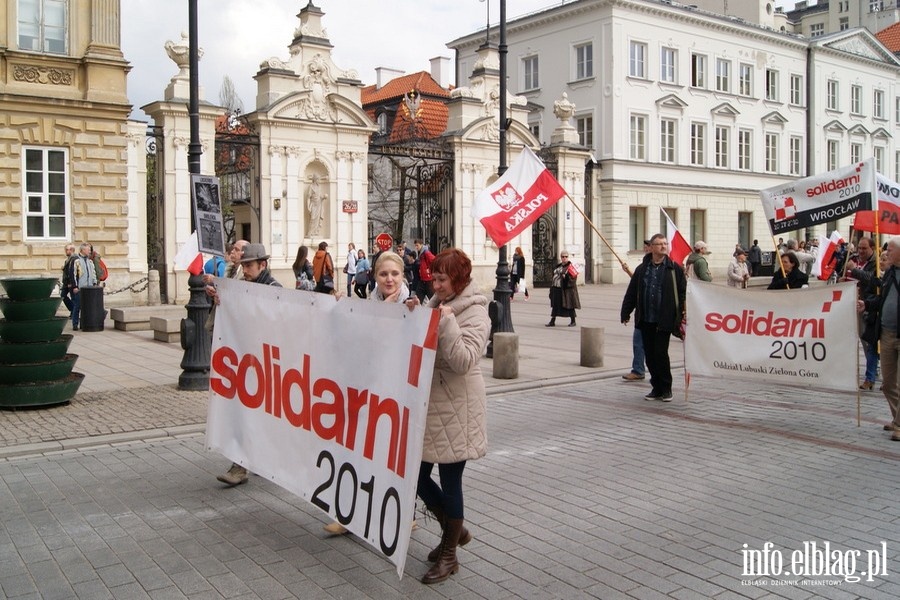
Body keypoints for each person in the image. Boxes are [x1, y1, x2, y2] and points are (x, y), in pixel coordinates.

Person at [407, 248, 490, 584]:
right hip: (432, 405)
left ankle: (450, 554)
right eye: (434, 278)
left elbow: (464, 360)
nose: (435, 284)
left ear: (458, 279)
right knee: (415, 475)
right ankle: (453, 533)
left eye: (441, 279)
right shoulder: (435, 304)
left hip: (458, 406)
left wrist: (448, 321)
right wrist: (412, 315)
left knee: (450, 481)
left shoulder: (475, 312)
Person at [216, 243, 282, 487]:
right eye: (243, 265)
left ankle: (257, 460)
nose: (245, 269)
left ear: (262, 265)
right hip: (248, 363)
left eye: (249, 265)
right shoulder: (244, 288)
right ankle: (240, 465)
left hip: (265, 364)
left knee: (261, 416)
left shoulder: (274, 289)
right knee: (244, 412)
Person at [620, 233, 686, 402]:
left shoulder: (674, 268)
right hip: (646, 319)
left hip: (664, 320)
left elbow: (683, 292)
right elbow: (632, 291)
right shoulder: (643, 269)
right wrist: (626, 312)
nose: (664, 246)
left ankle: (666, 388)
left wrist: (683, 313)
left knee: (660, 353)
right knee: (649, 354)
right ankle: (656, 388)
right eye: (659, 244)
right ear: (651, 247)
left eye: (665, 243)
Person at [862, 237, 900, 440]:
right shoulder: (889, 273)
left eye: (890, 250)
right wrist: (866, 305)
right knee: (888, 384)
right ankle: (897, 418)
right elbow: (882, 298)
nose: (886, 253)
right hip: (885, 333)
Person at [846, 237, 879, 390]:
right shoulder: (853, 259)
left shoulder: (876, 263)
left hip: (868, 305)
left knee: (868, 340)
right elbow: (846, 275)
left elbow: (872, 279)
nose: (860, 251)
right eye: (859, 248)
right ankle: (872, 370)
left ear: (872, 248)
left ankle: (871, 373)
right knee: (861, 336)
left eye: (864, 248)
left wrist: (854, 270)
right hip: (852, 303)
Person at [623, 240, 651, 382]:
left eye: (648, 247)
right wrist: (626, 312)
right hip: (642, 314)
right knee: (638, 343)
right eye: (645, 247)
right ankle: (638, 369)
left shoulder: (667, 268)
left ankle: (658, 376)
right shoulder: (643, 267)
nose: (645, 249)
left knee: (656, 349)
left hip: (658, 317)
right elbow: (635, 287)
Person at [546, 251, 581, 327]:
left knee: (569, 305)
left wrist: (567, 278)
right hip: (556, 288)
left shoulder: (571, 267)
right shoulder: (558, 266)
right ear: (561, 257)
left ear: (568, 257)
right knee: (555, 306)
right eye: (562, 257)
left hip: (566, 290)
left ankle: (573, 321)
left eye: (566, 257)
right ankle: (552, 321)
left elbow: (573, 280)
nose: (564, 258)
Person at [69, 243, 98, 331]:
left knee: (87, 307)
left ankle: (84, 323)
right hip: (80, 287)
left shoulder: (90, 261)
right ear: (82, 250)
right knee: (77, 306)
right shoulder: (76, 260)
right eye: (88, 249)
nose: (89, 251)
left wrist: (94, 282)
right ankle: (75, 323)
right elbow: (73, 274)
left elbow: (93, 273)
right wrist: (75, 286)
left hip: (89, 288)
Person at [60, 243, 77, 312]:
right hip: (66, 282)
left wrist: (71, 282)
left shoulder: (74, 259)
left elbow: (72, 271)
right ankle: (72, 310)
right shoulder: (68, 259)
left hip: (70, 282)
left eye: (68, 250)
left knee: (73, 298)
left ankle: (74, 312)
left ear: (72, 250)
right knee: (63, 295)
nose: (66, 251)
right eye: (66, 249)